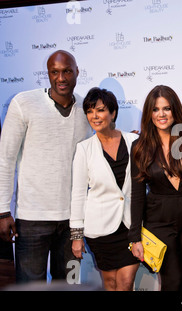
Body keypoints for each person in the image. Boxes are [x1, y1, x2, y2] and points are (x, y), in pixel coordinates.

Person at [0, 50, 92, 283]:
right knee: (31, 287)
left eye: (67, 71)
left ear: (77, 72)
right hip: (32, 221)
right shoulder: (23, 103)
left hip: (73, 223)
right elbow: (5, 159)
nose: (61, 78)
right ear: (48, 74)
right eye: (55, 72)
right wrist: (2, 211)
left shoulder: (87, 109)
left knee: (70, 284)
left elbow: (99, 147)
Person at [128, 85, 182, 291]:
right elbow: (137, 193)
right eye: (156, 109)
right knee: (172, 281)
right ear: (149, 113)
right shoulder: (140, 146)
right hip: (159, 221)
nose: (161, 114)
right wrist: (135, 237)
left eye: (166, 108)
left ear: (174, 110)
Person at [70, 87, 140, 290]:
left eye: (100, 110)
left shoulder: (134, 141)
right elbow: (77, 194)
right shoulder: (84, 149)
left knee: (126, 283)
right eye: (90, 111)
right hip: (100, 230)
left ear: (113, 113)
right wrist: (76, 236)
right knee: (110, 283)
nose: (94, 116)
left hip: (130, 227)